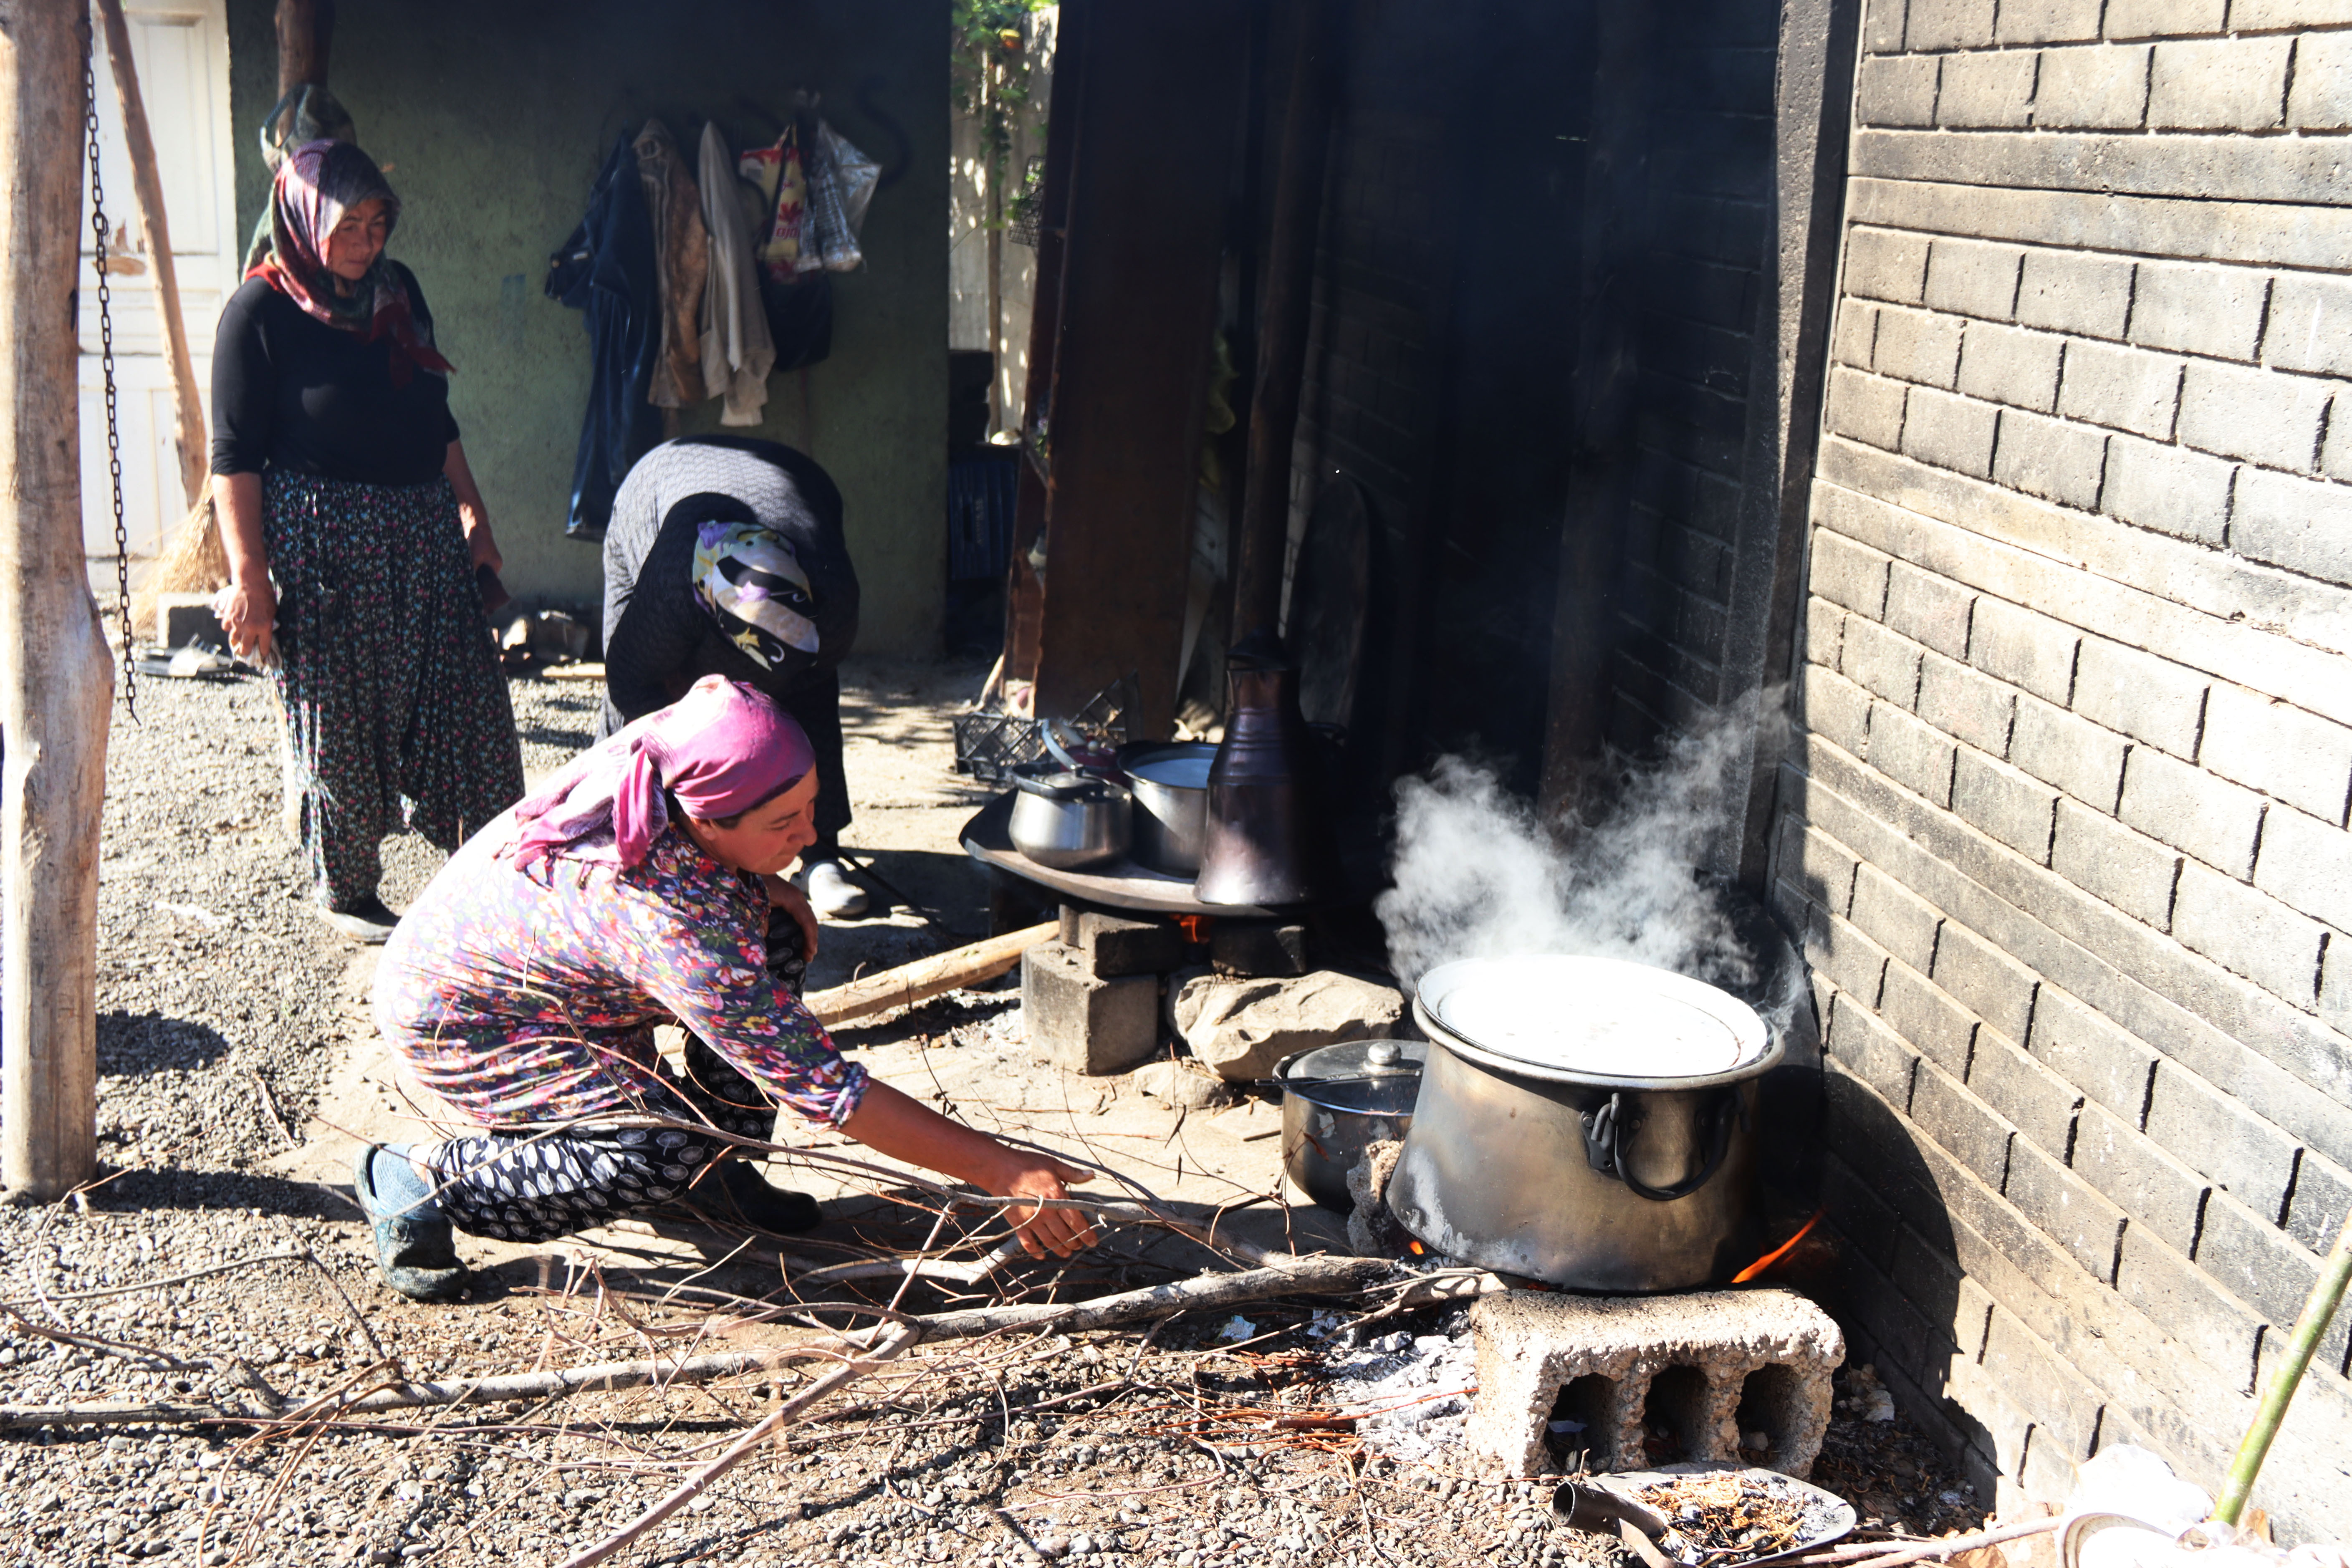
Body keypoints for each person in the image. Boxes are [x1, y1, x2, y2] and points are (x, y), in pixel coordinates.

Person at [360, 676, 1095, 1301]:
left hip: (563, 978)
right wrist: (1003, 1168)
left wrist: (762, 877)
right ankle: (421, 1177)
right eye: (782, 823)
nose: (808, 836)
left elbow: (728, 873)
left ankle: (718, 1171)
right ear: (705, 821)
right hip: (471, 1017)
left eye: (811, 806)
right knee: (652, 1153)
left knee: (770, 934)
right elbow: (829, 1090)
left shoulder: (689, 740)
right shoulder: (668, 919)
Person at [210, 139, 523, 942]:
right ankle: (347, 891)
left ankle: (486, 867)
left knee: (468, 706)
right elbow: (235, 456)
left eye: (379, 221)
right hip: (325, 549)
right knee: (339, 719)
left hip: (424, 533)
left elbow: (436, 416)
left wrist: (476, 521)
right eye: (349, 223)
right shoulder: (259, 313)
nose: (367, 240)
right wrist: (252, 578)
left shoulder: (397, 290)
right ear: (305, 218)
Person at [600, 434, 871, 919]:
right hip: (656, 490)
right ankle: (624, 849)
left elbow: (812, 692)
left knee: (811, 693)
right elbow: (632, 692)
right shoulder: (669, 596)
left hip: (791, 486)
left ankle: (822, 856)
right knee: (648, 726)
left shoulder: (832, 606)